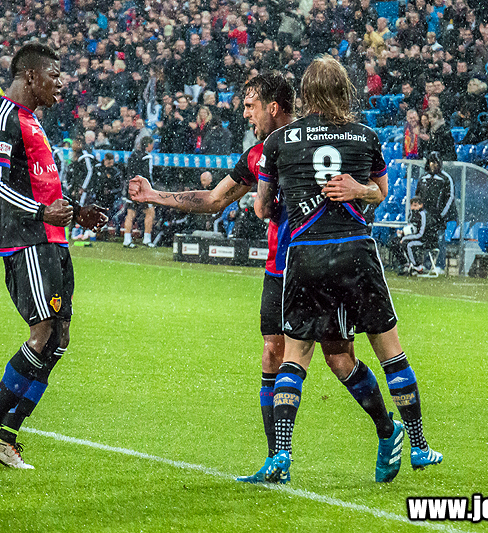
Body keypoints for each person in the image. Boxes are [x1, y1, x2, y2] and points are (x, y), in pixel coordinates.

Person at [130, 72, 389, 484]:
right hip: (278, 271)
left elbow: (369, 187)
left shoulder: (319, 142)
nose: (246, 115)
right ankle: (276, 458)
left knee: (339, 358)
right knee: (272, 352)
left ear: (273, 106)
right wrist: (154, 196)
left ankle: (387, 429)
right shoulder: (258, 154)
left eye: (250, 106)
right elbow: (214, 199)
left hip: (319, 266)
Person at [255, 56, 442, 484]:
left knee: (296, 356)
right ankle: (418, 444)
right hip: (356, 252)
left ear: (305, 93)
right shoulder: (365, 136)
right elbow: (380, 192)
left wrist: (293, 197)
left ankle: (281, 453)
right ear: (344, 90)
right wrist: (357, 188)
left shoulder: (279, 141)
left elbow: (263, 207)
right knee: (390, 351)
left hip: (305, 256)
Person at [0, 42, 107, 472]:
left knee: (60, 338)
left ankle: (8, 436)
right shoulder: (5, 118)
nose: (61, 84)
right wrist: (42, 213)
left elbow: (41, 187)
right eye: (55, 76)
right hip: (27, 242)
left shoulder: (33, 121)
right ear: (30, 76)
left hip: (53, 241)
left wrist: (76, 212)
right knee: (42, 332)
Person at [415, 151, 455, 272]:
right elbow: (417, 197)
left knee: (440, 240)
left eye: (436, 162)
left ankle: (440, 266)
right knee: (428, 240)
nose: (433, 165)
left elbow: (450, 198)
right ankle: (427, 265)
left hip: (439, 217)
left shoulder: (445, 179)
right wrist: (419, 213)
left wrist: (441, 214)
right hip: (426, 217)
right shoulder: (423, 179)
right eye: (431, 162)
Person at [389, 196, 440, 274]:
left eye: (415, 205)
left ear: (421, 205)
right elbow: (411, 229)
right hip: (414, 237)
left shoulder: (423, 215)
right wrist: (402, 232)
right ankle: (404, 263)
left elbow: (421, 234)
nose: (413, 208)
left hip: (425, 240)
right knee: (394, 242)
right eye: (412, 205)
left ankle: (418, 267)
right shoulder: (411, 214)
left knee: (408, 244)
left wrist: (405, 238)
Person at [122, 136, 156, 247]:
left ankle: (127, 240)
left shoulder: (132, 155)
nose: (153, 147)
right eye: (152, 144)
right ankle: (147, 239)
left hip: (132, 187)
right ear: (148, 145)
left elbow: (128, 172)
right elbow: (148, 174)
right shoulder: (147, 157)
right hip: (142, 189)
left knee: (131, 213)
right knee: (150, 212)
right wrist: (151, 189)